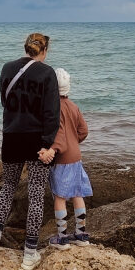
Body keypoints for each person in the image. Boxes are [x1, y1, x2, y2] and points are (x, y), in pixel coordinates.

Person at [0, 33, 60, 270]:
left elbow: (5, 102)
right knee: (36, 194)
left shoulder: (7, 68)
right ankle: (29, 254)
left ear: (25, 47)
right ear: (44, 50)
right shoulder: (47, 73)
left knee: (8, 187)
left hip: (12, 136)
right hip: (36, 139)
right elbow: (52, 114)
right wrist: (47, 144)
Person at [39, 68, 92, 250]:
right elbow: (84, 131)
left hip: (61, 158)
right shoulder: (73, 106)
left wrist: (54, 148)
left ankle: (62, 237)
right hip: (76, 156)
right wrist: (74, 142)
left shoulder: (55, 108)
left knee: (60, 196)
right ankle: (81, 234)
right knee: (77, 193)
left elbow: (59, 135)